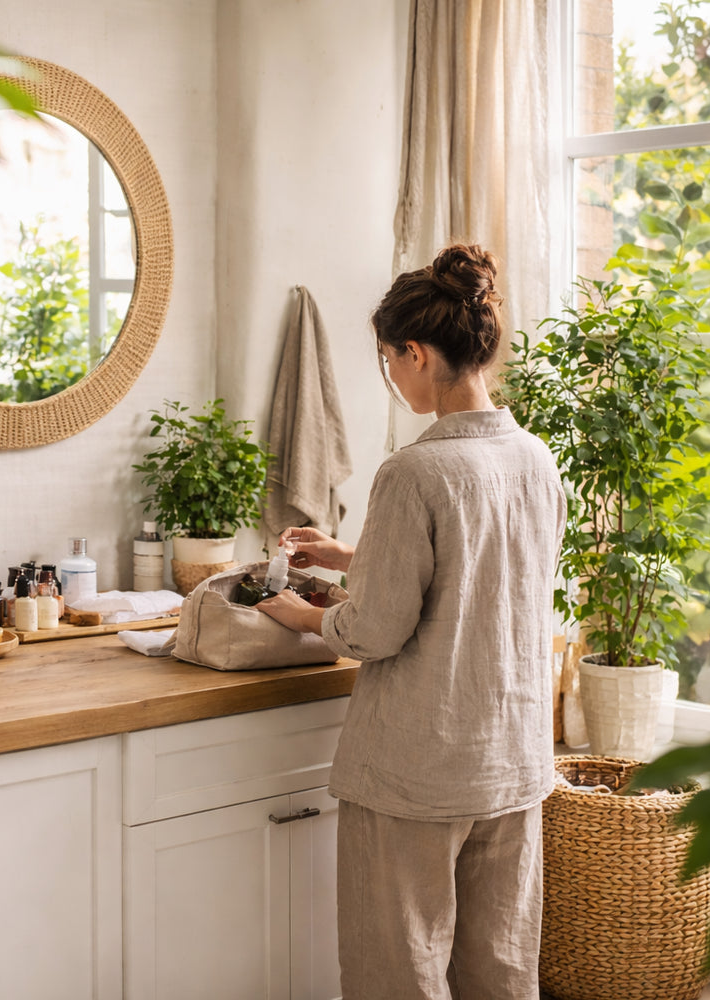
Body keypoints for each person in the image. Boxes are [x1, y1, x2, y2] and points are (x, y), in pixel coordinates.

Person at [257, 244, 565, 1000]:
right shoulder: (534, 458)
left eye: (390, 359)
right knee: (500, 969)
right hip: (512, 760)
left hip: (417, 769)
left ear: (417, 352)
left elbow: (375, 632)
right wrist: (353, 554)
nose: (392, 376)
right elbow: (485, 575)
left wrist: (302, 614)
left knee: (400, 972)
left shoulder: (413, 471)